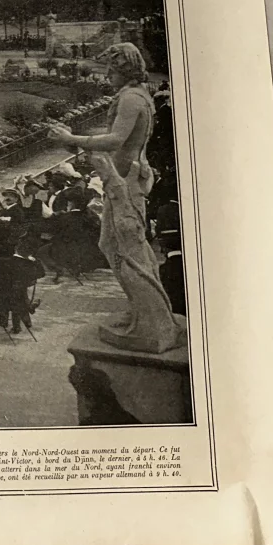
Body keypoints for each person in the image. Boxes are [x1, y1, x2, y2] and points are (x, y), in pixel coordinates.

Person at [48, 42, 185, 353]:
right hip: (124, 180)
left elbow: (115, 140)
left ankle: (150, 320)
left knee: (124, 250)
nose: (107, 75)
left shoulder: (131, 99)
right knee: (119, 247)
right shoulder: (138, 96)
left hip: (125, 184)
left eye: (112, 70)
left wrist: (71, 138)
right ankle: (143, 310)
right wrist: (74, 143)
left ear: (125, 71)